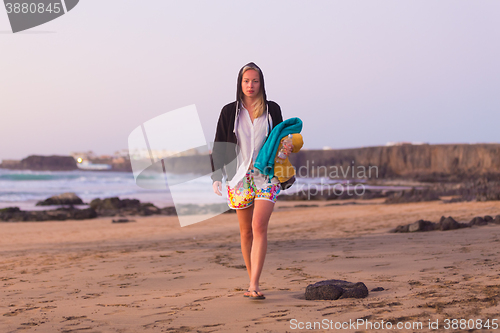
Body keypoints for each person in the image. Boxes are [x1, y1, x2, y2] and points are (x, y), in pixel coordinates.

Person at [211, 62, 285, 300]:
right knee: (245, 233)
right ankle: (253, 280)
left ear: (261, 83)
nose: (250, 85)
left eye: (254, 81)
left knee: (258, 226)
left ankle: (254, 284)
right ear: (240, 83)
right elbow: (220, 144)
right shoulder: (229, 111)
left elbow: (282, 138)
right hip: (238, 177)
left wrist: (286, 148)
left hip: (267, 177)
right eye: (246, 81)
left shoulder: (272, 109)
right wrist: (216, 176)